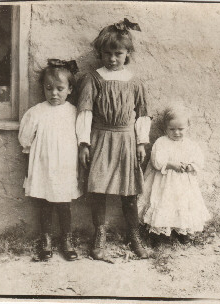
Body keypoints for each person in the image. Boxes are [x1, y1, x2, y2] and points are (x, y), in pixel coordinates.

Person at [76, 19, 150, 260]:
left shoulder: (134, 82)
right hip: (100, 137)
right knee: (98, 190)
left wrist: (141, 142)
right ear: (100, 54)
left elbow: (141, 114)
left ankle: (133, 234)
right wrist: (84, 143)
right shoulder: (93, 79)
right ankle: (99, 234)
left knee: (129, 193)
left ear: (127, 54)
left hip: (126, 139)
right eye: (107, 53)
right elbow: (85, 112)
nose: (112, 59)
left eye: (118, 53)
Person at [18, 59, 82, 261]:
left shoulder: (74, 112)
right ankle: (45, 240)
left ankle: (66, 239)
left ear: (70, 89)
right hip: (44, 166)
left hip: (65, 166)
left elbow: (82, 136)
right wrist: (27, 150)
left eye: (60, 89)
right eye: (49, 88)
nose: (54, 93)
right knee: (45, 203)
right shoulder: (37, 111)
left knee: (64, 204)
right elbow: (25, 136)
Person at [138, 106, 211, 245]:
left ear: (188, 127)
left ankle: (182, 232)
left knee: (182, 204)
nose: (176, 132)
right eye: (172, 129)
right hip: (164, 182)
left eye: (180, 129)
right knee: (164, 203)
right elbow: (156, 161)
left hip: (184, 183)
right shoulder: (162, 142)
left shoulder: (191, 145)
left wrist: (190, 167)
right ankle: (159, 234)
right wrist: (171, 165)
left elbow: (199, 160)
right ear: (165, 128)